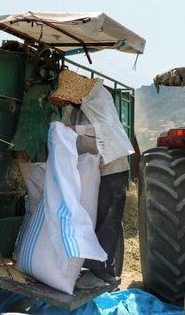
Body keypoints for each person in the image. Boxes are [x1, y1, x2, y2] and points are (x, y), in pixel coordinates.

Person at [50, 70, 134, 289]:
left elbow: (105, 129)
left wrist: (73, 129)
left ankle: (102, 274)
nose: (67, 101)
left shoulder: (100, 98)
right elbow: (72, 140)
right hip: (92, 168)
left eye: (69, 97)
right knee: (93, 218)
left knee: (108, 219)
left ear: (76, 93)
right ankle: (94, 267)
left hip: (112, 165)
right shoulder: (72, 108)